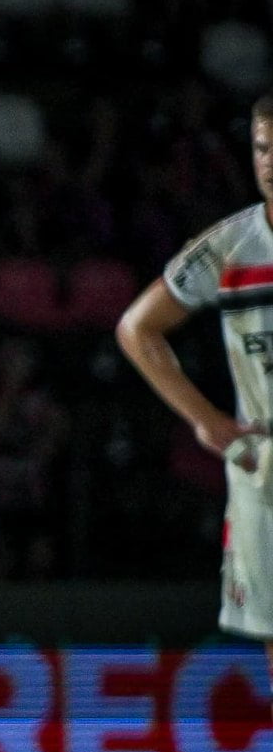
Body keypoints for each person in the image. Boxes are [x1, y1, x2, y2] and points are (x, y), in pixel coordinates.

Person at [117, 91, 273, 705]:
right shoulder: (232, 246)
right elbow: (137, 327)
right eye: (262, 148)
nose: (269, 162)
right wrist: (206, 421)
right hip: (266, 464)